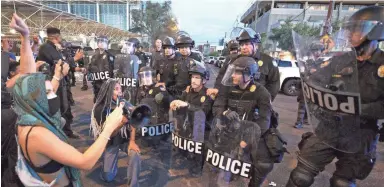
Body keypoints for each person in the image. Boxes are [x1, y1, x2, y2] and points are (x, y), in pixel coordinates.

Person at [9, 13, 124, 186]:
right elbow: (85, 162)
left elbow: (28, 78)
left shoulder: (28, 111)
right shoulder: (38, 135)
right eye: (48, 92)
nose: (53, 93)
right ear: (36, 101)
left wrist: (25, 37)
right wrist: (108, 128)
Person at [286, 6, 384, 187]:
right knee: (301, 176)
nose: (350, 34)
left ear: (375, 31)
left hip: (361, 133)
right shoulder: (341, 60)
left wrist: (358, 109)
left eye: (357, 29)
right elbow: (317, 80)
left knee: (342, 183)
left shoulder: (381, 65)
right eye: (351, 29)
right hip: (330, 126)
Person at [213, 57, 277, 187]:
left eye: (237, 72)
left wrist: (248, 139)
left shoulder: (261, 92)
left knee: (263, 164)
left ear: (248, 75)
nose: (233, 75)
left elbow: (264, 121)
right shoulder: (228, 88)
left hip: (252, 132)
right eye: (233, 72)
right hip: (230, 130)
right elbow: (217, 106)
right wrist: (225, 112)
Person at [90, 79, 141, 185]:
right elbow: (108, 134)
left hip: (123, 139)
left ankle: (133, 184)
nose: (120, 92)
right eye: (116, 89)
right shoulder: (100, 109)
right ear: (109, 91)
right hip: (110, 141)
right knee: (108, 177)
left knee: (135, 154)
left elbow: (134, 121)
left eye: (120, 88)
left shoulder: (124, 103)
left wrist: (132, 141)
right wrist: (121, 124)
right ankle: (106, 167)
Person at [36, 27, 84, 139]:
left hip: (61, 83)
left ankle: (66, 131)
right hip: (51, 84)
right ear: (57, 37)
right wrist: (75, 58)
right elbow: (59, 64)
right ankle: (57, 135)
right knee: (56, 108)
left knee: (64, 107)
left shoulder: (54, 48)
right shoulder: (46, 48)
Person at [211, 28, 280, 102]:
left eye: (247, 44)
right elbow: (221, 76)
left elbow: (274, 84)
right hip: (235, 100)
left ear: (256, 45)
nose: (243, 47)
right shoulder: (234, 60)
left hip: (256, 102)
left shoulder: (268, 61)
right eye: (241, 44)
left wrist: (264, 101)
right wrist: (217, 89)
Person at [88, 35, 114, 103]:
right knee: (97, 102)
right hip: (97, 84)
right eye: (100, 41)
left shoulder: (110, 56)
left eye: (103, 41)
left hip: (106, 84)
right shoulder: (94, 56)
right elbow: (90, 68)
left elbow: (112, 71)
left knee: (106, 102)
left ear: (107, 43)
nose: (101, 43)